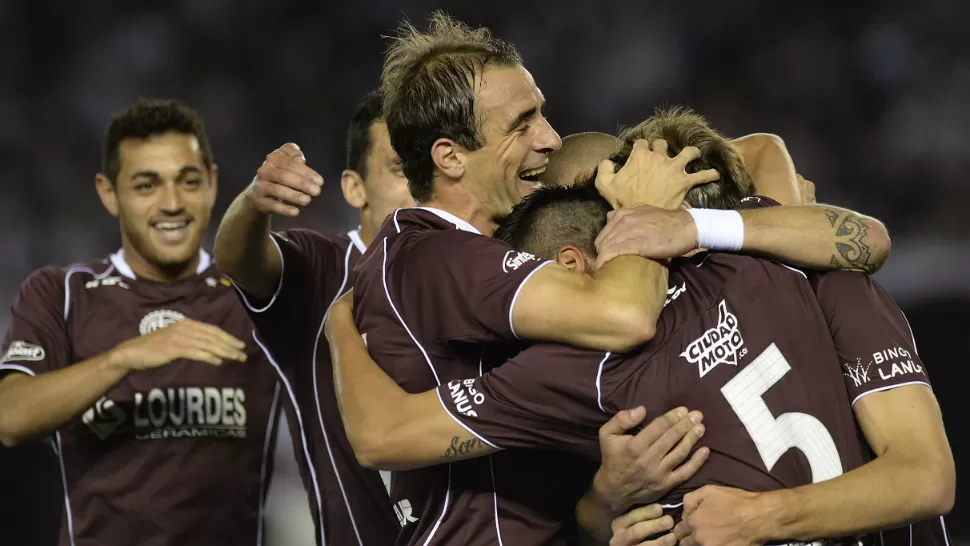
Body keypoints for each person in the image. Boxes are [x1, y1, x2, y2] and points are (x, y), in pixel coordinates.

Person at [323, 108, 899, 545]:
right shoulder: (762, 248)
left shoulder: (583, 364)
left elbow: (382, 436)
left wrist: (338, 322)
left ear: (573, 256)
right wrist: (604, 498)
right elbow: (777, 159)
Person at [0, 99, 279, 546]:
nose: (172, 204)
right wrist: (125, 357)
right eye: (146, 185)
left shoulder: (256, 295)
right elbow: (9, 417)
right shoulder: (61, 293)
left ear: (211, 183)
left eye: (187, 182)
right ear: (108, 192)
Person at [213, 91, 413, 544]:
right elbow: (235, 260)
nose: (421, 182)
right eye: (402, 168)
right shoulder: (321, 266)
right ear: (354, 187)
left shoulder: (474, 268)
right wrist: (254, 202)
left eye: (429, 164)